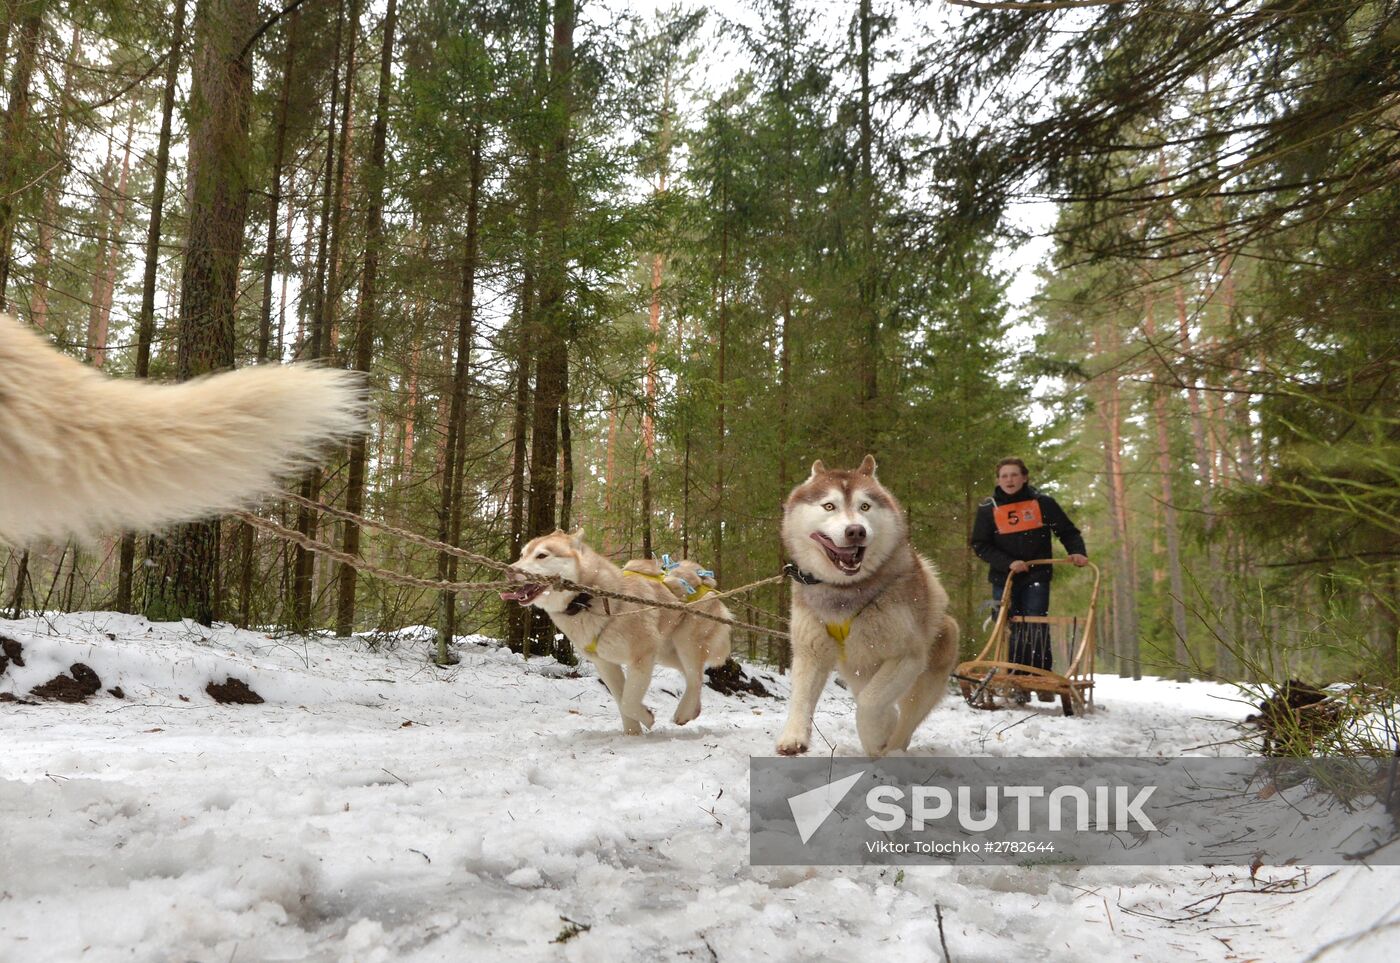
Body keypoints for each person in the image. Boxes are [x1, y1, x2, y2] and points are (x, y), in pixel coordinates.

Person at [970, 458, 1087, 699]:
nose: (1009, 480)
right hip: (1006, 577)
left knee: (1034, 623)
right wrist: (1008, 562)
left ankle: (1040, 677)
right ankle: (1016, 680)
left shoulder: (1042, 503)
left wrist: (1077, 552)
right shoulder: (988, 507)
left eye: (1014, 475)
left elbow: (1067, 531)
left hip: (1037, 574)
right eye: (1004, 476)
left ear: (1024, 477)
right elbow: (980, 544)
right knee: (1011, 626)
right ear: (998, 480)